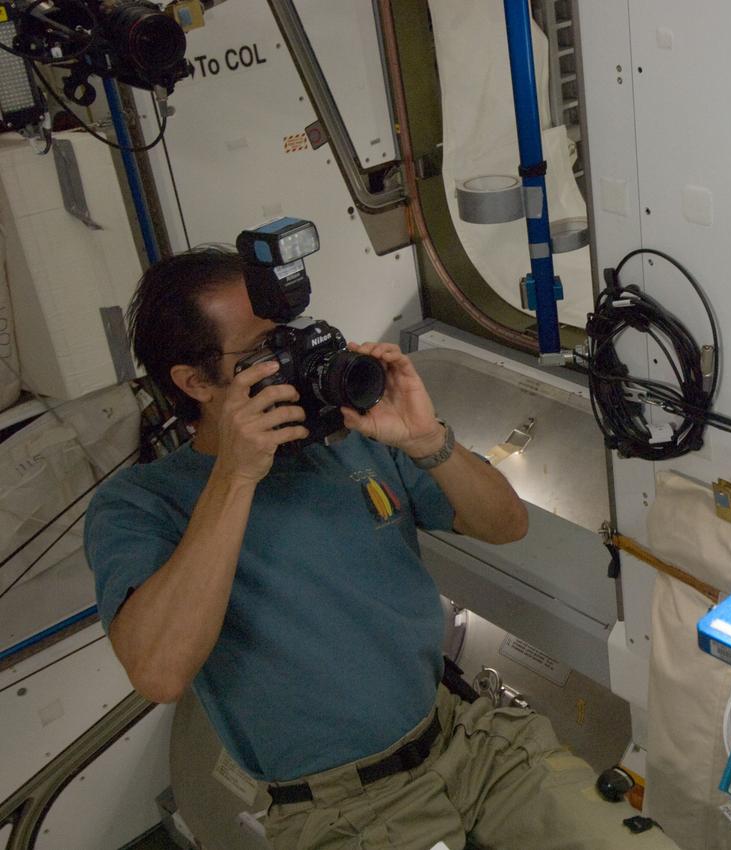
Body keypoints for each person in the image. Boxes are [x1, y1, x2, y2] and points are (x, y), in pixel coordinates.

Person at [86, 247, 677, 850]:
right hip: (344, 811)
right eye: (263, 353)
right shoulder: (143, 505)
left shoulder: (350, 440)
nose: (293, 360)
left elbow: (506, 524)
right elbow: (158, 672)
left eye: (289, 336)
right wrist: (236, 477)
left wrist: (428, 440)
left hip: (466, 739)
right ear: (194, 382)